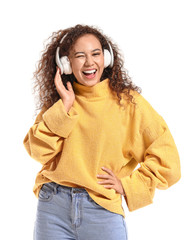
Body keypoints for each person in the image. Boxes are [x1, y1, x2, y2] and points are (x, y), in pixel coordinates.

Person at [23, 24, 181, 240]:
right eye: (80, 56)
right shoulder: (60, 104)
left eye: (95, 54)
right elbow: (38, 153)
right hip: (53, 208)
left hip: (102, 210)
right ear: (66, 63)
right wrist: (65, 106)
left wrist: (129, 186)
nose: (89, 62)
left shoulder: (129, 104)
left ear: (106, 58)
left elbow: (168, 162)